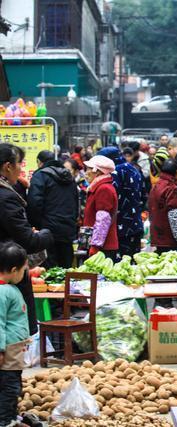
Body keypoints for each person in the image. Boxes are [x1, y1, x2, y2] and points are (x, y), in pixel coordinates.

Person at [0, 144, 53, 336]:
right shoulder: (5, 197)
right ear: (7, 166)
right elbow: (28, 240)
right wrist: (46, 234)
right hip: (7, 268)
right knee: (12, 330)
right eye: (19, 164)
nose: (21, 169)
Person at [27, 150, 78, 268]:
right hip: (67, 230)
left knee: (48, 272)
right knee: (66, 270)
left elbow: (34, 204)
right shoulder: (69, 176)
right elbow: (75, 202)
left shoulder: (40, 175)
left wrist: (36, 226)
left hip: (47, 231)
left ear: (39, 162)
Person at [0, 242, 30, 427]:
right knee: (10, 388)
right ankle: (4, 421)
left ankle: (11, 418)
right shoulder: (3, 291)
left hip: (14, 350)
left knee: (12, 385)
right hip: (8, 351)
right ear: (13, 270)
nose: (24, 275)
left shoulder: (8, 288)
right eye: (23, 271)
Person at [97, 147, 146, 259]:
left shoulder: (115, 172)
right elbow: (144, 195)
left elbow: (111, 198)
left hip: (121, 228)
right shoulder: (134, 169)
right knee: (132, 263)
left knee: (120, 265)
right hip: (136, 225)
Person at [149, 159, 177, 254]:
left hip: (158, 237)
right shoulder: (173, 189)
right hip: (170, 240)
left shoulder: (156, 186)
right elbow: (175, 216)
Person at [83, 155, 119, 260]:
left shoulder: (103, 189)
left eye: (89, 169)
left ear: (97, 172)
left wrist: (95, 245)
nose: (86, 172)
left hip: (104, 247)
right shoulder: (99, 187)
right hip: (100, 245)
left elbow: (103, 219)